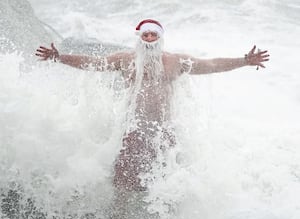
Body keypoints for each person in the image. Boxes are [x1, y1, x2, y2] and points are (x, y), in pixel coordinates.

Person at [36, 19, 269, 193]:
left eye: (153, 35)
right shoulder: (125, 59)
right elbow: (95, 63)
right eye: (145, 35)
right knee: (123, 181)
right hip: (134, 128)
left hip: (164, 130)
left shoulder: (175, 61)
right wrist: (61, 57)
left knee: (168, 185)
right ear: (139, 37)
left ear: (160, 37)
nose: (149, 38)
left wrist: (244, 61)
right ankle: (120, 217)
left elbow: (210, 64)